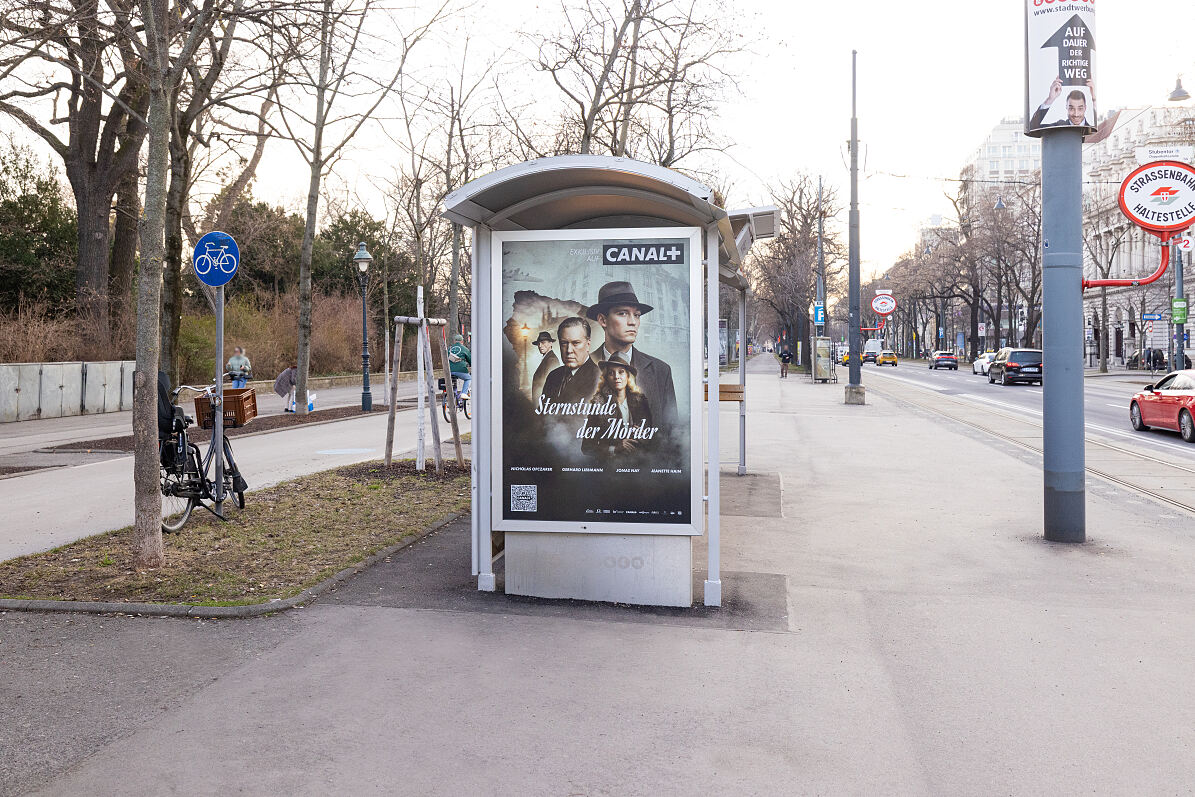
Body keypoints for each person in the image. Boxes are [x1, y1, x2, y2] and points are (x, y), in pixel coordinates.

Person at [587, 280, 677, 428]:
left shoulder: (661, 370)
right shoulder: (583, 367)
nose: (632, 322)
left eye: (637, 315)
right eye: (622, 313)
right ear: (603, 320)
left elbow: (672, 434)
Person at [582, 360, 653, 460]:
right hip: (609, 468)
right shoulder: (598, 404)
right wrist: (614, 449)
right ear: (606, 378)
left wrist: (644, 437)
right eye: (611, 373)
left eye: (621, 372)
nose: (616, 377)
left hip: (638, 465)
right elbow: (586, 447)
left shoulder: (641, 402)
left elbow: (652, 440)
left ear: (628, 376)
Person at [541, 317, 601, 403]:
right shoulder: (553, 376)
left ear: (588, 345)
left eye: (576, 343)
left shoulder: (599, 378)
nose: (569, 350)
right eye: (564, 343)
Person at [530, 330, 560, 400]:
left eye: (543, 343)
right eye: (539, 343)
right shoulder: (547, 358)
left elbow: (551, 386)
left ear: (550, 343)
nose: (540, 346)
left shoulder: (551, 360)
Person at [448, 333, 471, 399]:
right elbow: (470, 360)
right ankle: (464, 393)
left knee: (453, 380)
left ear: (454, 341)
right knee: (468, 378)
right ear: (462, 341)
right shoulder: (465, 349)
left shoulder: (450, 348)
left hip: (450, 370)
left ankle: (454, 395)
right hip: (461, 370)